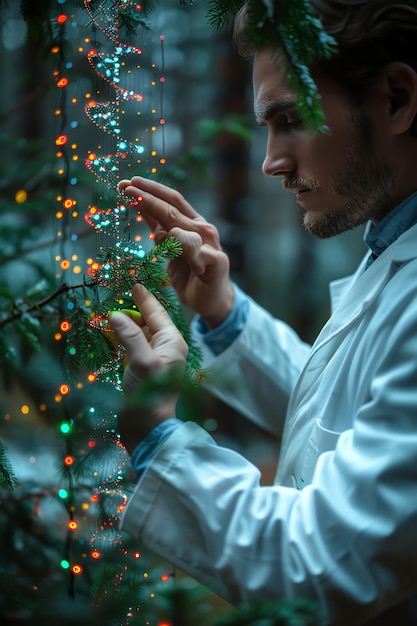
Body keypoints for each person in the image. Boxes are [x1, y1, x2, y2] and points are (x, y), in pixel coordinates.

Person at [108, 1, 417, 624]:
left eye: (291, 120)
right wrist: (221, 312)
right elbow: (348, 414)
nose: (272, 160)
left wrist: (157, 432)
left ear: (395, 98)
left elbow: (321, 564)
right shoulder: (392, 244)